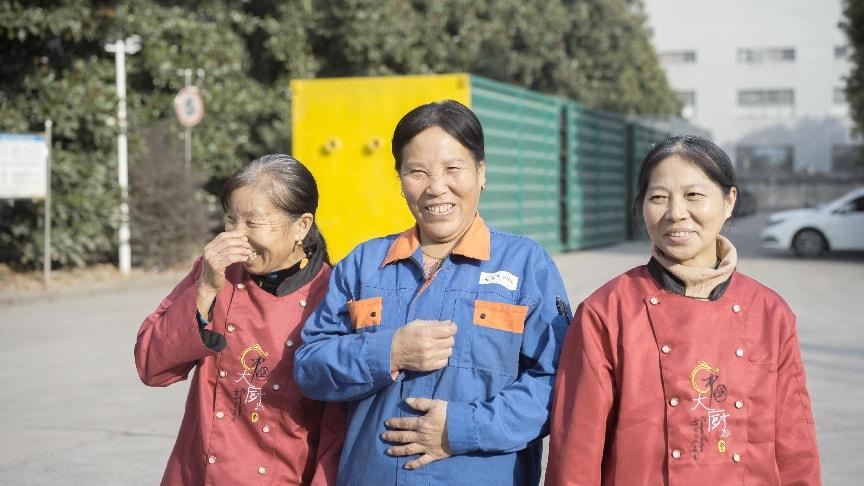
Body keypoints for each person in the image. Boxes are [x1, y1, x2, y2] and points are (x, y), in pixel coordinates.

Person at [293, 100, 572, 486]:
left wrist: (463, 427)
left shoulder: (526, 266)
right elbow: (309, 367)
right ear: (400, 178)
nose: (436, 187)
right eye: (417, 172)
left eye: (453, 168)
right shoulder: (362, 265)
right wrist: (388, 352)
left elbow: (560, 381)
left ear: (481, 172)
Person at [545, 136, 821, 485]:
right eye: (659, 197)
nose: (676, 213)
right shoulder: (606, 312)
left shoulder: (770, 313)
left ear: (729, 201)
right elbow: (576, 454)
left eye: (693, 195)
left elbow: (796, 446)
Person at [134, 154, 344, 485]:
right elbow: (151, 366)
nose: (236, 236)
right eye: (231, 220)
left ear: (301, 226)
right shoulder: (215, 273)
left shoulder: (333, 295)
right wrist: (204, 290)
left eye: (252, 222)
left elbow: (337, 424)